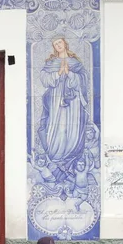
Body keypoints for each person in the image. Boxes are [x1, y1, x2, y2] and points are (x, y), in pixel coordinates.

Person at [38, 37, 89, 172]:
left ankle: (71, 154)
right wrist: (58, 73)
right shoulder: (51, 63)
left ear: (65, 43)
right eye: (55, 44)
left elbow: (84, 79)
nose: (58, 45)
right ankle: (55, 153)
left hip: (74, 101)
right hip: (56, 98)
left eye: (60, 42)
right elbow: (43, 78)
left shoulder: (76, 63)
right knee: (57, 125)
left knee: (72, 126)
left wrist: (70, 74)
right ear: (54, 47)